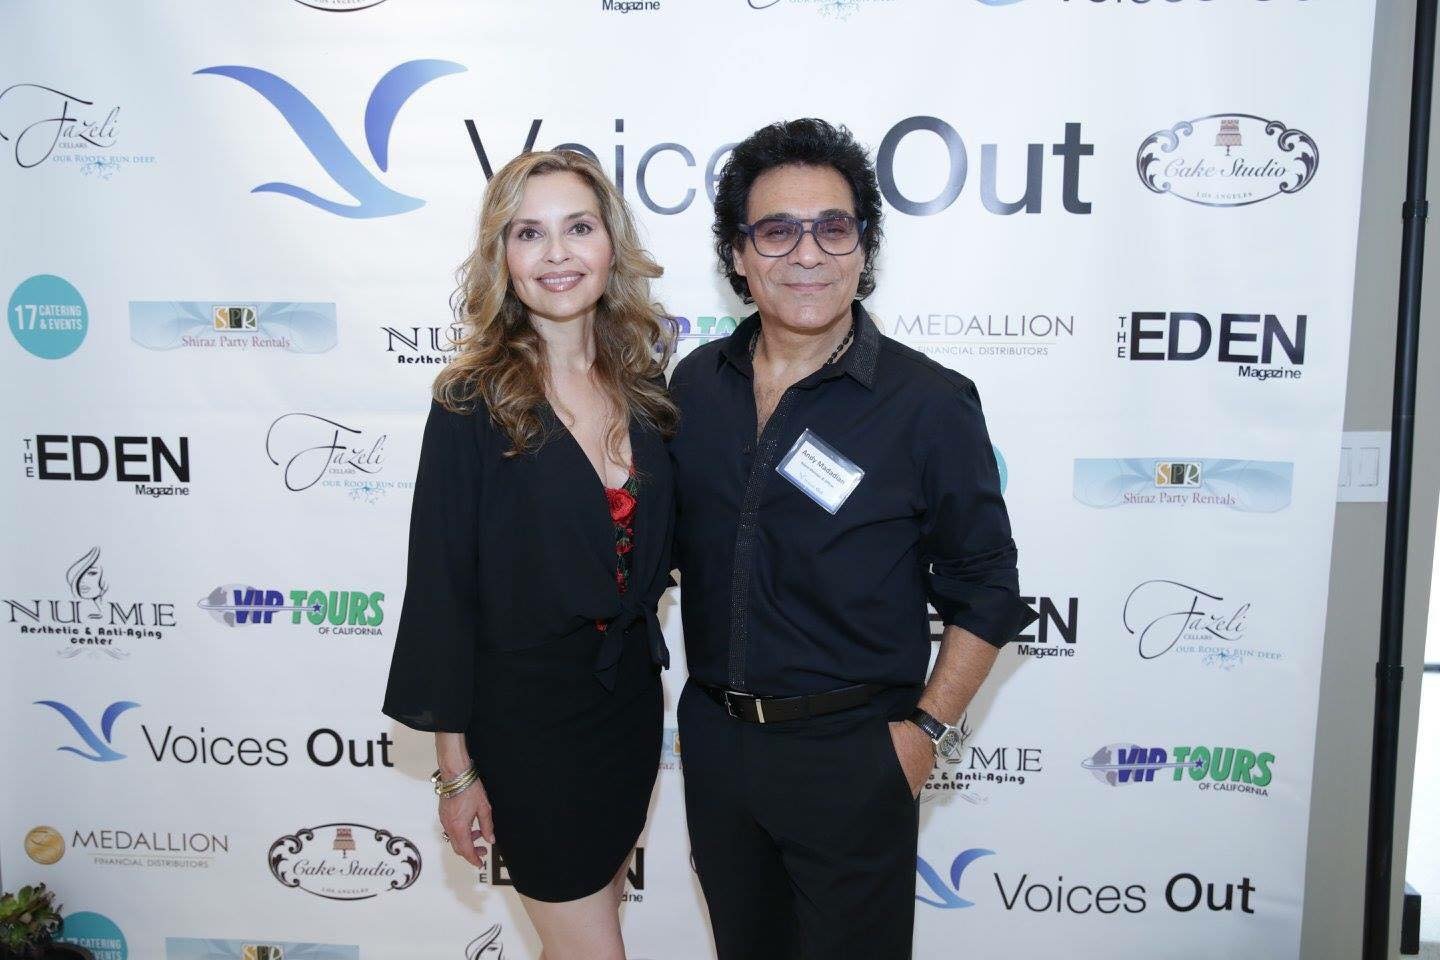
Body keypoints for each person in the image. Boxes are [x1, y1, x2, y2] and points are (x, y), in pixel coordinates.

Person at [667, 118, 1038, 960]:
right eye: (777, 231)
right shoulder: (695, 386)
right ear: (738, 254)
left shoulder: (928, 402)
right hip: (719, 749)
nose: (808, 254)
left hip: (855, 757)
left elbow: (987, 589)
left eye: (833, 227)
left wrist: (923, 737)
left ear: (863, 247)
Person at [382, 149, 677, 960]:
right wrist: (455, 769)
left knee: (581, 934)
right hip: (526, 724)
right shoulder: (470, 400)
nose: (556, 254)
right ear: (502, 256)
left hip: (626, 708)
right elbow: (442, 590)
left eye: (578, 228)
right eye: (528, 233)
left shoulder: (644, 388)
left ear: (610, 244)